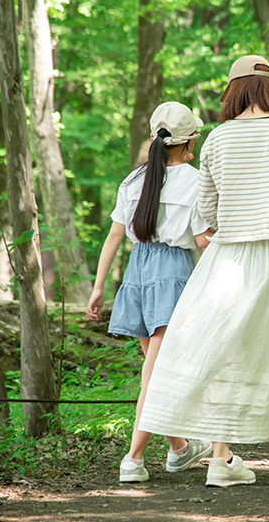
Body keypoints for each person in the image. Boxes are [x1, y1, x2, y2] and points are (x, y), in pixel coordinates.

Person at [137, 55, 269, 488]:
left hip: (227, 258)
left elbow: (206, 209)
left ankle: (221, 459)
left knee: (228, 351)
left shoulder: (218, 139)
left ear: (233, 90)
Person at [85, 101, 214, 483]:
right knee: (153, 374)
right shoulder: (196, 180)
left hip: (136, 271)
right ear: (190, 142)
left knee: (154, 372)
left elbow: (113, 236)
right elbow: (204, 240)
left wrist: (98, 288)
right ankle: (133, 458)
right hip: (172, 271)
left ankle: (178, 449)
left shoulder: (133, 180)